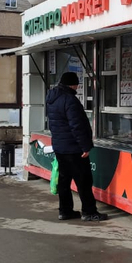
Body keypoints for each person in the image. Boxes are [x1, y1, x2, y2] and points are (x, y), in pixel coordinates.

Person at [46, 72, 108, 222]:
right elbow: (77, 126)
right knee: (84, 181)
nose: (77, 87)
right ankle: (88, 211)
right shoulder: (70, 100)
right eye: (77, 84)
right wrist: (85, 147)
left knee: (64, 180)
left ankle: (65, 211)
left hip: (60, 147)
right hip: (73, 148)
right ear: (72, 84)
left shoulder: (52, 98)